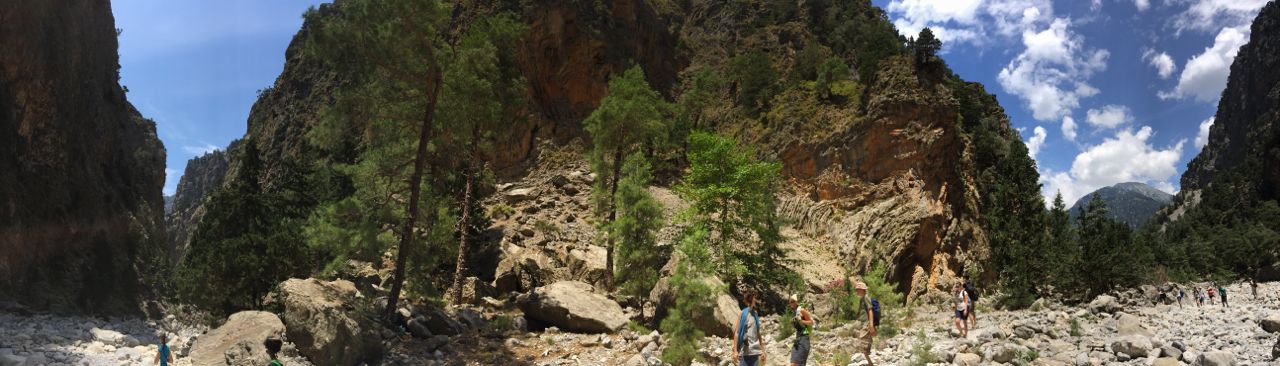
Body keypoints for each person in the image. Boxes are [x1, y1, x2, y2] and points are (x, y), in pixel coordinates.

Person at [733, 289, 766, 366]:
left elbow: (758, 334)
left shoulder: (755, 314)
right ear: (751, 299)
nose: (756, 300)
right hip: (744, 353)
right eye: (755, 298)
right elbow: (737, 332)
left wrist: (763, 351)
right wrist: (735, 351)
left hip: (756, 353)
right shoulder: (742, 313)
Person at [851, 279, 876, 366]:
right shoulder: (862, 299)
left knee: (863, 345)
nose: (856, 291)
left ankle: (870, 363)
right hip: (863, 325)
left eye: (858, 289)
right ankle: (870, 363)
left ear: (862, 289)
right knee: (863, 345)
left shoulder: (866, 297)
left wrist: (871, 325)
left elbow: (870, 310)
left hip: (866, 325)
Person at [788, 294, 814, 366]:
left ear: (797, 302)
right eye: (790, 302)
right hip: (797, 339)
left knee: (800, 364)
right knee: (793, 363)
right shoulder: (795, 312)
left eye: (793, 301)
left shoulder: (802, 310)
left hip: (804, 339)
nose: (791, 303)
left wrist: (801, 321)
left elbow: (811, 322)